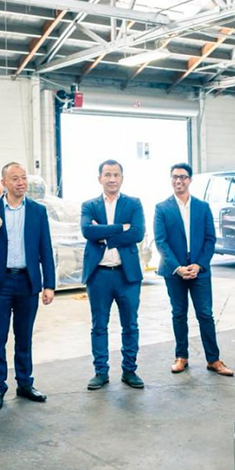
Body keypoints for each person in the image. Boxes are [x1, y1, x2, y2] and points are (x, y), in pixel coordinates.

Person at [0, 162, 55, 411]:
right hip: (0, 282)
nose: (21, 182)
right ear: (4, 183)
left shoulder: (38, 211)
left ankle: (25, 383)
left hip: (27, 281)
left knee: (24, 336)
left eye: (23, 178)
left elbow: (45, 249)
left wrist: (49, 284)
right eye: (15, 178)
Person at [153, 163, 233, 377]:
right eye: (175, 177)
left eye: (183, 177)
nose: (178, 181)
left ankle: (213, 360)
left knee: (205, 314)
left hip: (200, 271)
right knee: (179, 314)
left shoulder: (202, 207)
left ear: (190, 179)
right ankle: (181, 357)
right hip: (174, 271)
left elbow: (210, 239)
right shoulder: (162, 208)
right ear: (171, 179)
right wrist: (177, 268)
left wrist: (199, 264)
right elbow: (161, 242)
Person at [80, 160, 146, 391]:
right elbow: (87, 231)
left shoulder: (134, 203)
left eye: (116, 175)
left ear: (122, 178)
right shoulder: (89, 206)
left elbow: (137, 233)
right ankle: (101, 372)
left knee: (130, 325)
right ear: (100, 178)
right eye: (107, 174)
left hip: (127, 275)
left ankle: (129, 370)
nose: (112, 179)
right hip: (99, 275)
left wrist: (105, 235)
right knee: (99, 325)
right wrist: (120, 228)